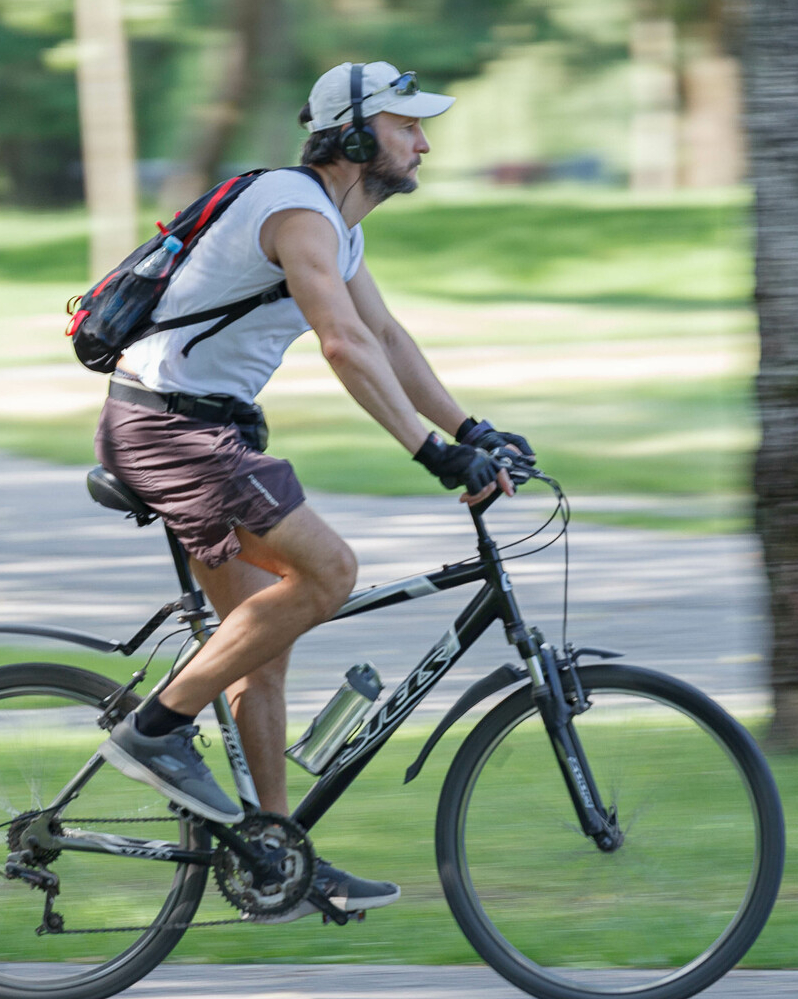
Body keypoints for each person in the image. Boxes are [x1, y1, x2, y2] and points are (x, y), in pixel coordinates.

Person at [94, 61, 535, 920]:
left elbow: (386, 336)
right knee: (329, 574)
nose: (424, 141)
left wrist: (469, 429)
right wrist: (429, 454)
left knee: (257, 645)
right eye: (408, 125)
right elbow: (341, 345)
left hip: (208, 429)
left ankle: (273, 853)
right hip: (170, 428)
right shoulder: (292, 209)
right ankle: (154, 732)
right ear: (358, 132)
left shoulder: (337, 227)